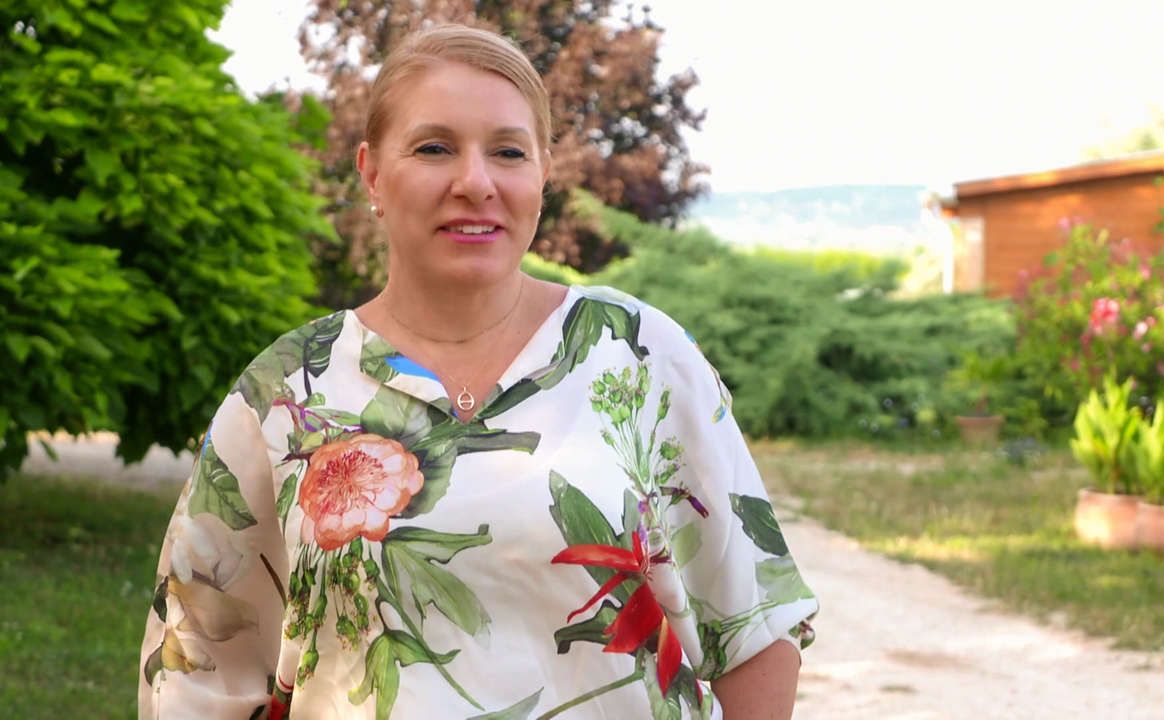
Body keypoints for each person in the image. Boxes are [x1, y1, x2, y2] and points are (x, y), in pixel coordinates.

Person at [138, 24, 817, 719]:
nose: (475, 182)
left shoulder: (639, 356)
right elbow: (193, 672)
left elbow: (754, 628)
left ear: (543, 173)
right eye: (434, 148)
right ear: (372, 173)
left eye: (508, 152)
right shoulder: (285, 392)